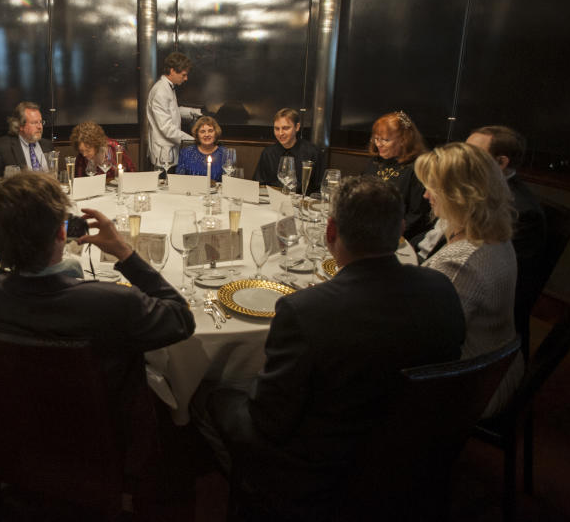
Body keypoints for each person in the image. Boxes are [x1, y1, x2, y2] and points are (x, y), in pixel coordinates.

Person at [207, 176, 465, 520]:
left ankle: (260, 497)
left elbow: (268, 421)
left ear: (330, 232)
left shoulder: (305, 310)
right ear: (400, 230)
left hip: (322, 472)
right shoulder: (441, 288)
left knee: (209, 396)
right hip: (411, 457)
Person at [0, 172, 195, 466]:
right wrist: (123, 251)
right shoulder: (115, 303)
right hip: (106, 443)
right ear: (62, 233)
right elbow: (182, 318)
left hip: (17, 432)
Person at [417, 142, 525, 417]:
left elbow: (424, 343)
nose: (426, 194)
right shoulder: (494, 234)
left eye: (433, 188)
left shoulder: (463, 261)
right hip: (497, 363)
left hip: (474, 383)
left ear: (460, 195)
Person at [466, 125, 547, 349]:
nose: (462, 158)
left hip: (484, 327)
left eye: (471, 153)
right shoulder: (476, 187)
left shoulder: (521, 212)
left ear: (501, 162)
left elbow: (492, 280)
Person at [362, 110, 432, 240]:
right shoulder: (376, 161)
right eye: (376, 138)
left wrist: (388, 233)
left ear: (404, 140)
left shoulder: (417, 168)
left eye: (385, 140)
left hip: (397, 237)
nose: (378, 144)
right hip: (368, 229)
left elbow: (417, 216)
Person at [146, 52, 202, 172]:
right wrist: (193, 141)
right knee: (164, 189)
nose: (186, 78)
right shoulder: (161, 91)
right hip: (163, 156)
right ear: (172, 71)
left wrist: (197, 112)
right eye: (183, 75)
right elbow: (166, 128)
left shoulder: (167, 87)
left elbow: (173, 110)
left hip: (169, 151)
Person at [0, 101, 54, 184]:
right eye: (34, 123)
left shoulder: (47, 145)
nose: (40, 127)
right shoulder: (0, 148)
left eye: (40, 122)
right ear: (20, 125)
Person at [253, 107, 323, 193]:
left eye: (285, 128)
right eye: (277, 129)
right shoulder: (268, 153)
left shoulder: (312, 153)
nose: (280, 133)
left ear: (297, 127)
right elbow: (258, 184)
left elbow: (319, 189)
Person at [70, 120, 135, 179]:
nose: (84, 154)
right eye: (81, 151)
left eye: (88, 150)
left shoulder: (113, 148)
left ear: (96, 145)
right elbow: (79, 180)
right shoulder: (81, 157)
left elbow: (131, 171)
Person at [176, 115, 226, 181]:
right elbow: (179, 180)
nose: (207, 135)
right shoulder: (186, 152)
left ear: (216, 133)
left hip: (218, 191)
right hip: (191, 190)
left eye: (210, 131)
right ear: (197, 135)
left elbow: (230, 181)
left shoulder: (225, 153)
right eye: (202, 131)